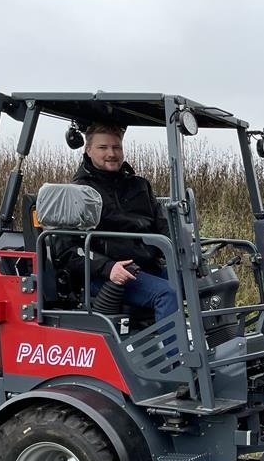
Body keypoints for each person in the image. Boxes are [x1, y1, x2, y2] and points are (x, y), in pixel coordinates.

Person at [56, 123, 179, 322]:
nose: (111, 153)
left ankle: (221, 348)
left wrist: (181, 253)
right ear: (88, 150)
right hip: (104, 274)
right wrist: (108, 267)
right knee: (166, 294)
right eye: (103, 148)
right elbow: (67, 250)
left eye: (116, 147)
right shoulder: (78, 192)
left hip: (145, 267)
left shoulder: (139, 186)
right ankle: (176, 354)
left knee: (200, 284)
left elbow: (162, 228)